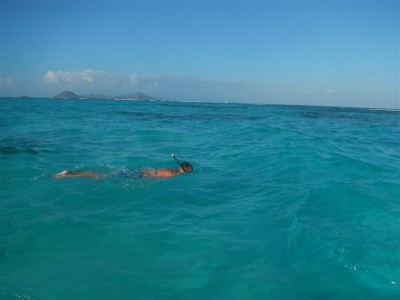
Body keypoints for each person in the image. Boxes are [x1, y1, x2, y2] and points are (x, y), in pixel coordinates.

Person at [52, 162, 193, 179]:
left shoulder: (168, 168)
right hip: (140, 175)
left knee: (106, 175)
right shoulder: (172, 174)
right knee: (102, 176)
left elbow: (151, 170)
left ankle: (70, 174)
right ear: (182, 170)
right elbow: (154, 177)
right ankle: (67, 175)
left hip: (141, 171)